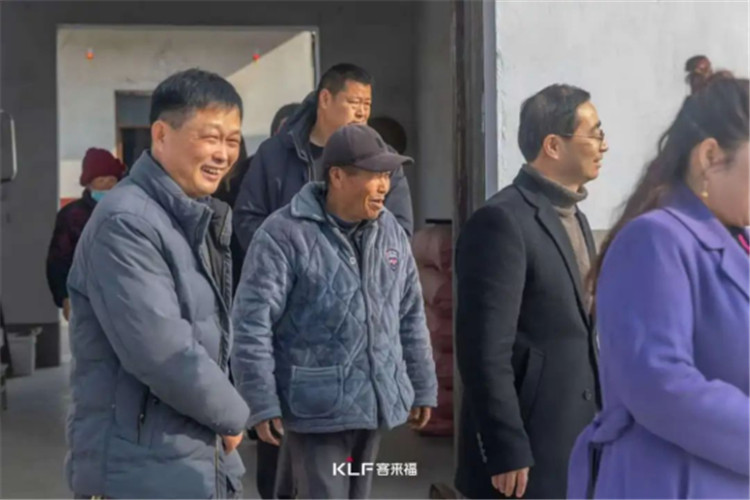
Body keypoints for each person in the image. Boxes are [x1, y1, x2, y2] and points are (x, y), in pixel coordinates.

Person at [65, 68, 250, 499]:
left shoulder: (192, 216)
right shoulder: (126, 222)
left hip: (186, 456)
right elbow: (163, 351)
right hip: (138, 470)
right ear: (161, 135)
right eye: (211, 137)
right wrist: (233, 414)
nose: (223, 154)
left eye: (233, 141)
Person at [231, 124, 438, 499]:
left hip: (373, 402)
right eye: (375, 175)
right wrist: (260, 402)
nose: (384, 187)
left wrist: (422, 386)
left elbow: (410, 316)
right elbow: (251, 325)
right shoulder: (284, 234)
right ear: (337, 177)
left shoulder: (390, 232)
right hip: (314, 408)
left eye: (387, 176)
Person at [568, 76, 749, 499]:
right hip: (672, 482)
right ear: (710, 157)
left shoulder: (737, 240)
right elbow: (660, 383)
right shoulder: (655, 240)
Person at [454, 84, 608, 499]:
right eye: (594, 132)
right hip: (525, 452)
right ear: (553, 145)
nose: (604, 145)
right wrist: (505, 447)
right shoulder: (501, 222)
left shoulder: (574, 217)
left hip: (575, 436)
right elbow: (483, 350)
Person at [233, 63, 415, 255]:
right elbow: (247, 218)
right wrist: (286, 256)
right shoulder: (276, 153)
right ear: (325, 99)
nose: (361, 113)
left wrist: (357, 260)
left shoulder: (386, 162)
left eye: (367, 104)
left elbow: (400, 233)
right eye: (354, 103)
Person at [46, 148, 125, 320]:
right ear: (89, 184)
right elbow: (58, 259)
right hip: (85, 298)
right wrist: (64, 296)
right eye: (101, 180)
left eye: (112, 180)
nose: (107, 186)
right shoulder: (71, 216)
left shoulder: (129, 211)